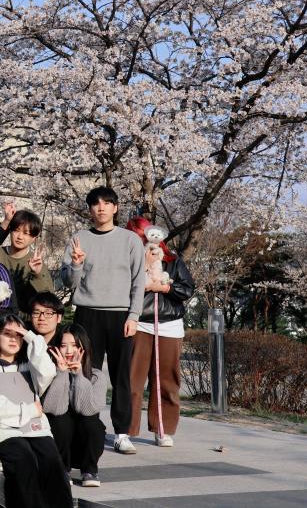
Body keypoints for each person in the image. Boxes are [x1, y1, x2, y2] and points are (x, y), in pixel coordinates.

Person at [61, 186, 144, 454]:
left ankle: (122, 432)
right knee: (86, 372)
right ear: (90, 209)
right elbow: (68, 282)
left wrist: (134, 316)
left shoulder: (130, 240)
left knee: (121, 375)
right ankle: (88, 425)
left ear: (115, 208)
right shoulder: (79, 238)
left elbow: (139, 281)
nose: (101, 208)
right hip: (88, 312)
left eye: (107, 203)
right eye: (96, 203)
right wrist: (76, 264)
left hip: (121, 315)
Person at [0, 312, 72, 508]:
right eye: (7, 333)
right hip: (5, 432)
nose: (13, 339)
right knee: (24, 463)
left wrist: (31, 336)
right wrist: (29, 410)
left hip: (36, 429)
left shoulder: (28, 365)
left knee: (53, 464)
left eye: (18, 335)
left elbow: (48, 372)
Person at [125, 216, 196, 449]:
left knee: (167, 380)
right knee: (133, 379)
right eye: (137, 237)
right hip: (139, 323)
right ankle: (126, 429)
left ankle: (162, 428)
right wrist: (144, 266)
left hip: (169, 325)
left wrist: (164, 287)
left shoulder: (173, 260)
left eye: (144, 235)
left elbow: (187, 289)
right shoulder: (128, 260)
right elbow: (122, 287)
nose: (143, 240)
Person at [42, 323, 107, 487]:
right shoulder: (50, 373)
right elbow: (54, 409)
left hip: (83, 446)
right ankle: (62, 470)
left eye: (75, 345)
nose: (69, 351)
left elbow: (87, 410)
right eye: (64, 345)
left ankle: (90, 471)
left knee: (93, 423)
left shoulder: (97, 376)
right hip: (60, 445)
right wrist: (62, 374)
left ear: (84, 347)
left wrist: (78, 376)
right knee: (59, 420)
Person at [0, 209, 55, 305]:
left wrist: (37, 275)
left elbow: (48, 298)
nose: (20, 237)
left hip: (24, 313)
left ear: (34, 238)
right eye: (16, 230)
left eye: (26, 233)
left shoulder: (36, 263)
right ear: (10, 231)